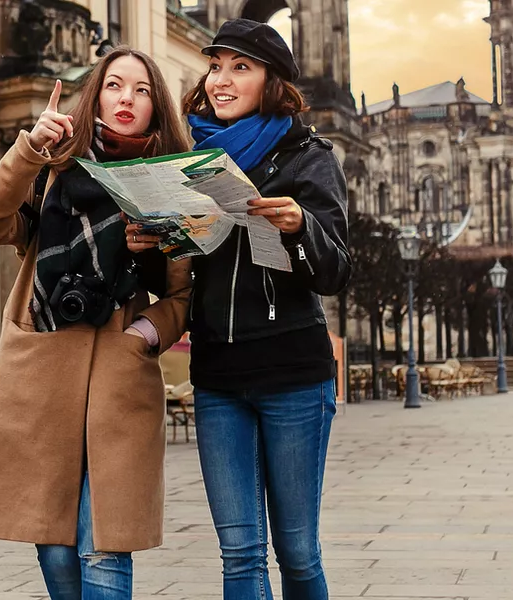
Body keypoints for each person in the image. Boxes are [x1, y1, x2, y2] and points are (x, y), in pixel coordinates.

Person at [134, 18, 354, 599]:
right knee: (240, 555)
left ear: (271, 81)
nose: (221, 80)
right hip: (219, 380)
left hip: (293, 377)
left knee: (298, 553)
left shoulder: (309, 158)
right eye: (215, 66)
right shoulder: (186, 160)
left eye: (240, 67)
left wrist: (299, 226)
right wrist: (148, 248)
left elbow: (334, 272)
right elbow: (176, 276)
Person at [0, 48, 194, 600]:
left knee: (104, 542)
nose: (127, 98)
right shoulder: (52, 170)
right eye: (115, 85)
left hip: (119, 378)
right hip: (42, 373)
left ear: (155, 106)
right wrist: (28, 150)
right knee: (53, 542)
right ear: (96, 94)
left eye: (141, 90)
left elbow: (185, 293)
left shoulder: (172, 185)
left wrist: (148, 332)